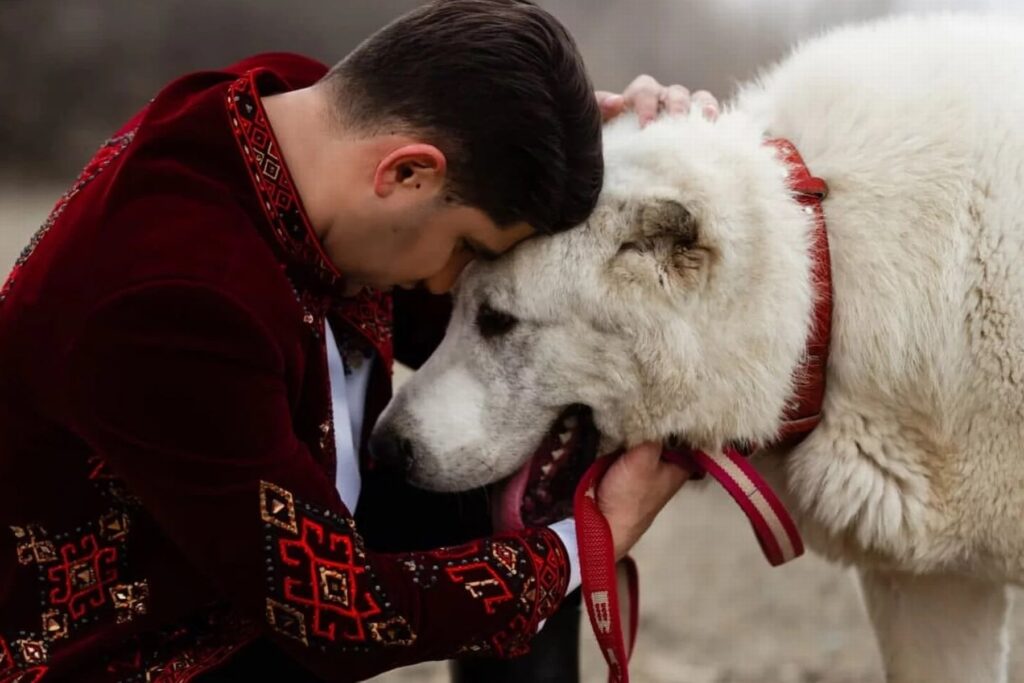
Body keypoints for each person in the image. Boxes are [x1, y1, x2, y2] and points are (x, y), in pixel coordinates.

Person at [0, 1, 716, 680]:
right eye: (467, 247)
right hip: (139, 646)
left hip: (259, 546)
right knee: (544, 544)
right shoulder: (171, 301)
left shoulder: (306, 118)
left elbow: (503, 328)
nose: (449, 284)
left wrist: (622, 161)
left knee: (513, 462)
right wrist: (588, 543)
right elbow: (337, 615)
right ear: (406, 172)